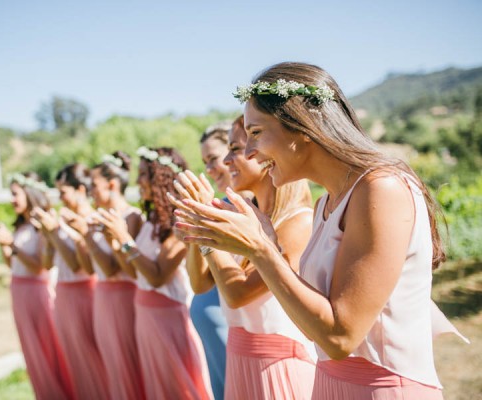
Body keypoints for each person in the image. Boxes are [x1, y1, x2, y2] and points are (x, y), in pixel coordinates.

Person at [173, 62, 468, 399]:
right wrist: (264, 246)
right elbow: (310, 326)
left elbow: (341, 338)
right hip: (328, 385)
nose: (250, 151)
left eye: (255, 133)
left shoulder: (381, 188)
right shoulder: (325, 204)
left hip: (383, 389)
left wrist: (260, 250)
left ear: (301, 126)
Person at [171, 116, 315, 399]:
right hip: (239, 358)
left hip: (274, 365)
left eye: (234, 149)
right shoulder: (243, 215)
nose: (225, 161)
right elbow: (200, 285)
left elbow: (237, 294)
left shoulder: (297, 223)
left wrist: (204, 220)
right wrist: (197, 228)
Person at [94, 146, 213, 400]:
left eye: (143, 175)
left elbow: (158, 275)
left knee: (177, 387)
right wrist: (115, 241)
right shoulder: (150, 223)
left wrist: (125, 238)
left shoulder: (177, 223)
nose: (138, 182)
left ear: (160, 178)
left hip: (167, 316)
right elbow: (134, 273)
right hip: (143, 313)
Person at [0, 172, 73, 400]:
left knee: (48, 348)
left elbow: (40, 266)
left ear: (29, 193)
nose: (12, 199)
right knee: (32, 349)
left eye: (15, 194)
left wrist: (11, 243)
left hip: (37, 293)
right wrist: (3, 244)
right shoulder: (21, 225)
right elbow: (12, 263)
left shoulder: (40, 224)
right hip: (19, 292)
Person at [64, 152, 145, 400]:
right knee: (112, 368)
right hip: (102, 297)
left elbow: (112, 268)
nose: (90, 192)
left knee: (127, 366)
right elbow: (90, 268)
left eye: (94, 186)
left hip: (123, 298)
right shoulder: (98, 216)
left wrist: (87, 235)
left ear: (112, 184)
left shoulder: (131, 216)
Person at [31, 164, 109, 400]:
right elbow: (47, 263)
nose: (60, 198)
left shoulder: (90, 219)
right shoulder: (61, 218)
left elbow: (77, 265)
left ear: (80, 190)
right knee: (74, 360)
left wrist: (54, 232)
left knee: (91, 358)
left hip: (84, 294)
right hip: (63, 295)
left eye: (63, 191)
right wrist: (47, 235)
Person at [187, 122, 231, 400]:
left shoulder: (256, 210)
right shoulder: (217, 207)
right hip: (213, 335)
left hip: (236, 332)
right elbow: (197, 282)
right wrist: (196, 226)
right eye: (205, 162)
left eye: (214, 159)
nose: (210, 169)